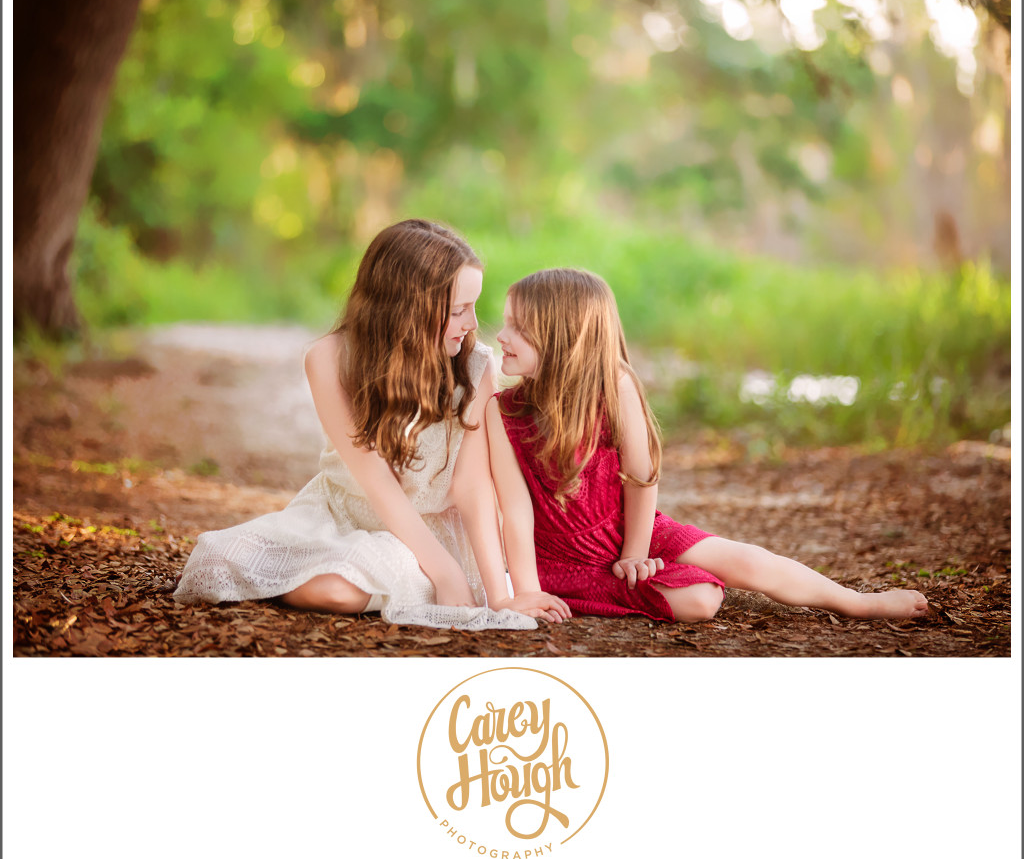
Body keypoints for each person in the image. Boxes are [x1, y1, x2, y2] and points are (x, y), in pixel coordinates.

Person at [174, 219, 571, 630]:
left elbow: (471, 487)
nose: (472, 323)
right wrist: (446, 577)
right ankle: (303, 572)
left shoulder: (475, 366)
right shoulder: (328, 359)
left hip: (427, 533)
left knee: (339, 591)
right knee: (222, 559)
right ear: (406, 308)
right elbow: (374, 480)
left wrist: (497, 593)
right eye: (457, 311)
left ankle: (380, 577)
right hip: (343, 514)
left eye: (473, 306)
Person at [486, 267, 929, 623]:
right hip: (561, 557)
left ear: (565, 337)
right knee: (700, 599)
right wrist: (528, 591)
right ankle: (593, 591)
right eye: (506, 322)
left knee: (746, 561)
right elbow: (516, 509)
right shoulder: (502, 410)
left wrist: (635, 552)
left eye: (518, 327)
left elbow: (640, 478)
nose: (502, 336)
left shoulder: (615, 387)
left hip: (630, 528)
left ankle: (856, 601)